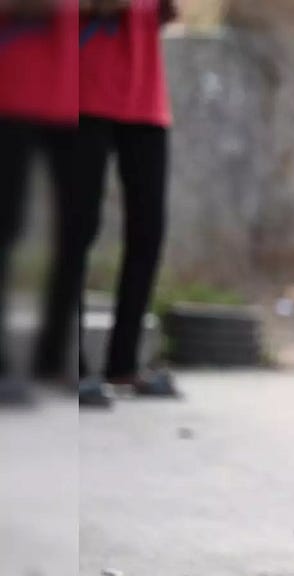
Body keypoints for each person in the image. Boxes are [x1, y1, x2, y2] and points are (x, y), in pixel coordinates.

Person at [43, 0, 180, 408]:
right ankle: (72, 364)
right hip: (84, 88)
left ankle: (123, 362)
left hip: (144, 93)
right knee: (78, 227)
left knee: (148, 229)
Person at [0, 0, 77, 405]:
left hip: (66, 95)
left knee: (76, 231)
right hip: (10, 89)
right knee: (4, 228)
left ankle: (51, 357)